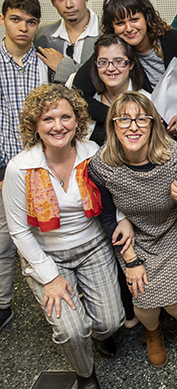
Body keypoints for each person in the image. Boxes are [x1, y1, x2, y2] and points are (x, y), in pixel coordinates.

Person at [3, 84, 124, 389]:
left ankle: (99, 335)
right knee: (72, 331)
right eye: (48, 119)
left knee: (111, 322)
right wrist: (50, 277)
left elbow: (111, 200)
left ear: (77, 121)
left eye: (65, 117)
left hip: (93, 245)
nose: (58, 126)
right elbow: (18, 230)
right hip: (47, 254)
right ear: (35, 126)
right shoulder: (20, 168)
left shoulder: (91, 153)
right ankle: (85, 373)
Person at [88, 92, 177, 367]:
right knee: (144, 302)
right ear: (113, 125)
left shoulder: (173, 157)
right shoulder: (103, 165)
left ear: (153, 124)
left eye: (141, 119)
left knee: (174, 300)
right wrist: (131, 261)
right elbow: (107, 219)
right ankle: (153, 333)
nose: (133, 126)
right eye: (124, 119)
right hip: (132, 237)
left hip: (169, 230)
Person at [73, 0, 177, 136]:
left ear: (146, 17)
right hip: (147, 132)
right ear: (112, 27)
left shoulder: (173, 40)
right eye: (120, 23)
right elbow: (77, 96)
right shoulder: (114, 53)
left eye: (134, 19)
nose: (129, 28)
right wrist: (121, 117)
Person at [0, 0, 51, 333]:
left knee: (43, 235)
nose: (23, 28)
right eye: (16, 19)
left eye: (31, 22)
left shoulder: (47, 61)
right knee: (4, 240)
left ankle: (54, 304)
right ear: (2, 19)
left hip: (42, 164)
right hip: (5, 165)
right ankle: (3, 305)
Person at [35, 0, 100, 83]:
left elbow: (103, 78)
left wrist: (62, 66)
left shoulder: (108, 30)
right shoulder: (42, 34)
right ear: (52, 1)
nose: (68, 4)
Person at [83, 34, 149, 145]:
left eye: (118, 61)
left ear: (131, 64)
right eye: (103, 62)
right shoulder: (86, 102)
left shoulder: (148, 102)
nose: (111, 68)